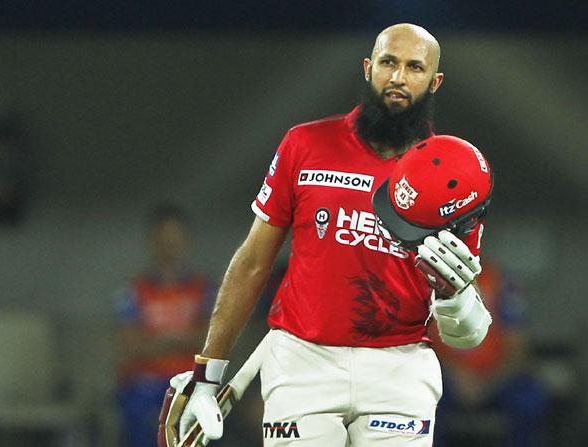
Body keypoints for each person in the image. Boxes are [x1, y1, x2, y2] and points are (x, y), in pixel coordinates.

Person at [160, 23, 494, 447]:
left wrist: (455, 298)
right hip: (303, 362)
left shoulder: (455, 175)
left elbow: (466, 328)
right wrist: (207, 375)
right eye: (389, 63)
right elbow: (252, 262)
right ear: (368, 67)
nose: (398, 77)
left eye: (414, 67)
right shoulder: (305, 144)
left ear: (434, 81)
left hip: (400, 365)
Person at [115, 204, 214, 447]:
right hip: (145, 385)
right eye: (163, 238)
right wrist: (184, 339)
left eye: (175, 238)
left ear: (186, 241)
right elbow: (130, 347)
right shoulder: (133, 292)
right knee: (138, 417)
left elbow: (211, 344)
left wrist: (159, 341)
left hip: (192, 383)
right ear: (152, 241)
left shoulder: (204, 290)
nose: (170, 244)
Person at [432, 261, 548, 447]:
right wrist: (456, 374)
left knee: (530, 400)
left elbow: (518, 345)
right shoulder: (427, 277)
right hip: (445, 374)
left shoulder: (503, 282)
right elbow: (417, 340)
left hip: (497, 376)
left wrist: (489, 383)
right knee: (418, 399)